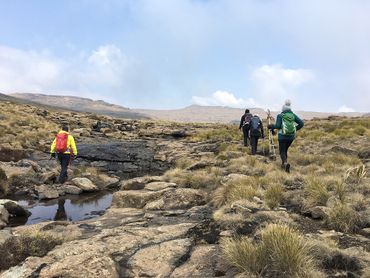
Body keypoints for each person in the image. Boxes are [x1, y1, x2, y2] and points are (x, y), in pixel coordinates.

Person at [268, 100, 304, 173]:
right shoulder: (293, 115)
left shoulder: (280, 116)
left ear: (283, 109)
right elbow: (301, 123)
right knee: (285, 150)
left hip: (282, 136)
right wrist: (295, 129)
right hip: (291, 137)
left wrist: (271, 126)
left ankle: (285, 163)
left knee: (282, 151)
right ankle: (284, 164)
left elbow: (277, 126)